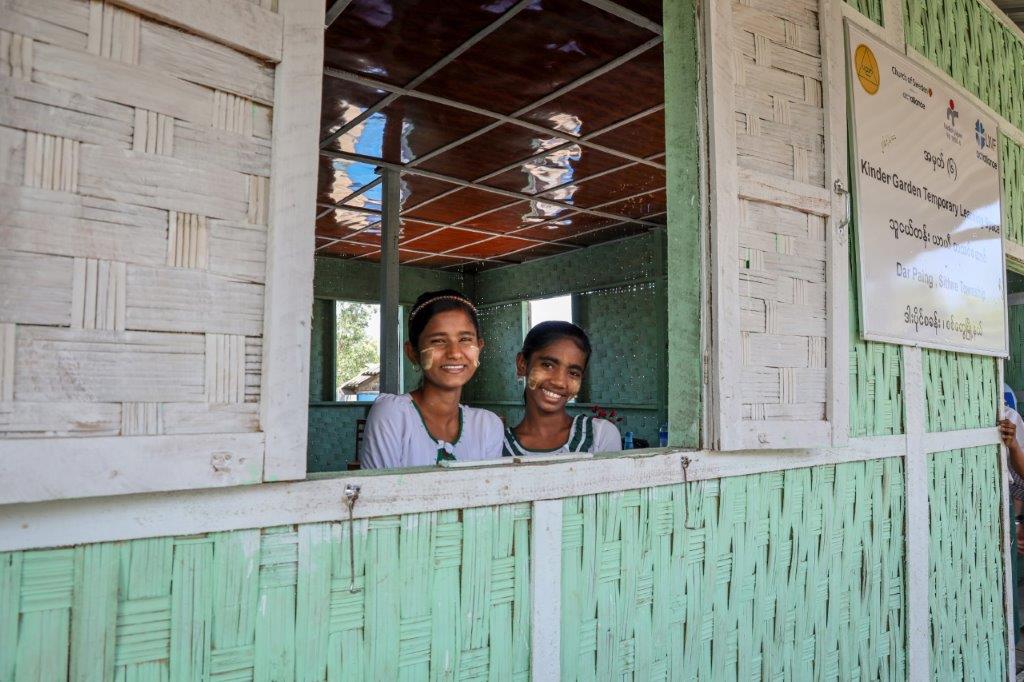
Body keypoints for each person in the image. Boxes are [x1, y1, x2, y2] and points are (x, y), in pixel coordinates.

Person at [361, 290, 503, 469]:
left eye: (465, 339)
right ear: (412, 352)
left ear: (479, 347)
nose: (455, 353)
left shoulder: (487, 426)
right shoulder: (393, 414)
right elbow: (381, 494)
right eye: (438, 341)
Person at [502, 321, 622, 457]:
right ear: (522, 364)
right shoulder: (496, 445)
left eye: (573, 373)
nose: (559, 382)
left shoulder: (599, 435)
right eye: (547, 365)